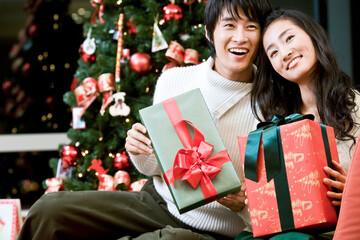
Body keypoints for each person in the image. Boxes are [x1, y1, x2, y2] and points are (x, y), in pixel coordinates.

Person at [17, 1, 272, 240]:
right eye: (229, 25)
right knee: (49, 210)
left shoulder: (272, 104)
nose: (240, 37)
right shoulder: (175, 80)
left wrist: (245, 205)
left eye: (251, 27)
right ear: (209, 32)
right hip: (157, 205)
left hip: (216, 230)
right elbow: (153, 167)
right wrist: (140, 150)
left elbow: (275, 206)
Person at [235, 8, 360, 240]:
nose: (284, 53)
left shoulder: (356, 108)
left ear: (313, 36)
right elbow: (265, 215)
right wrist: (242, 203)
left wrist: (355, 195)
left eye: (289, 38)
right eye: (273, 53)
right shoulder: (274, 127)